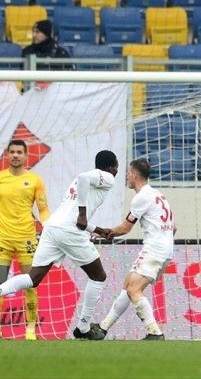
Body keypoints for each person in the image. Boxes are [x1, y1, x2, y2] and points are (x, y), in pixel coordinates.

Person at [0, 150, 118, 340]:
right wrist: (82, 213)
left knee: (33, 278)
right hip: (69, 231)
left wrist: (97, 229)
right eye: (117, 167)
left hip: (53, 227)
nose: (117, 171)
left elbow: (76, 219)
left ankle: (1, 290)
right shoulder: (107, 177)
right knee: (98, 276)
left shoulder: (78, 185)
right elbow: (83, 183)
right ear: (111, 167)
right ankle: (83, 327)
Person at [93, 158, 176, 340]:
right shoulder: (158, 195)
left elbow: (125, 228)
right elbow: (174, 227)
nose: (126, 177)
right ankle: (103, 328)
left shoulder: (141, 197)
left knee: (134, 290)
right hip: (164, 249)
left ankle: (155, 332)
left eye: (128, 174)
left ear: (134, 175)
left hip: (154, 250)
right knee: (128, 285)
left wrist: (100, 233)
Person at [0, 139, 50, 340]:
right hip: (2, 239)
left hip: (27, 240)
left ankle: (30, 331)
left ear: (25, 155)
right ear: (7, 154)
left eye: (19, 152)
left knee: (30, 284)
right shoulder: (1, 178)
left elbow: (44, 209)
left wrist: (48, 229)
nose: (15, 155)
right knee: (0, 284)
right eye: (12, 152)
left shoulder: (35, 180)